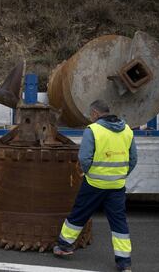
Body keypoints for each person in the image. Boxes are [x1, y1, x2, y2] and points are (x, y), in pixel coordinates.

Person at [53, 100, 137, 272]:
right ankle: (124, 262)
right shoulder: (127, 130)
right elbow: (133, 159)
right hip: (117, 185)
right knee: (119, 222)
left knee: (79, 213)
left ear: (95, 114)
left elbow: (84, 158)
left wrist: (89, 172)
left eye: (91, 115)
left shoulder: (93, 130)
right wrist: (120, 174)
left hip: (94, 183)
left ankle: (64, 246)